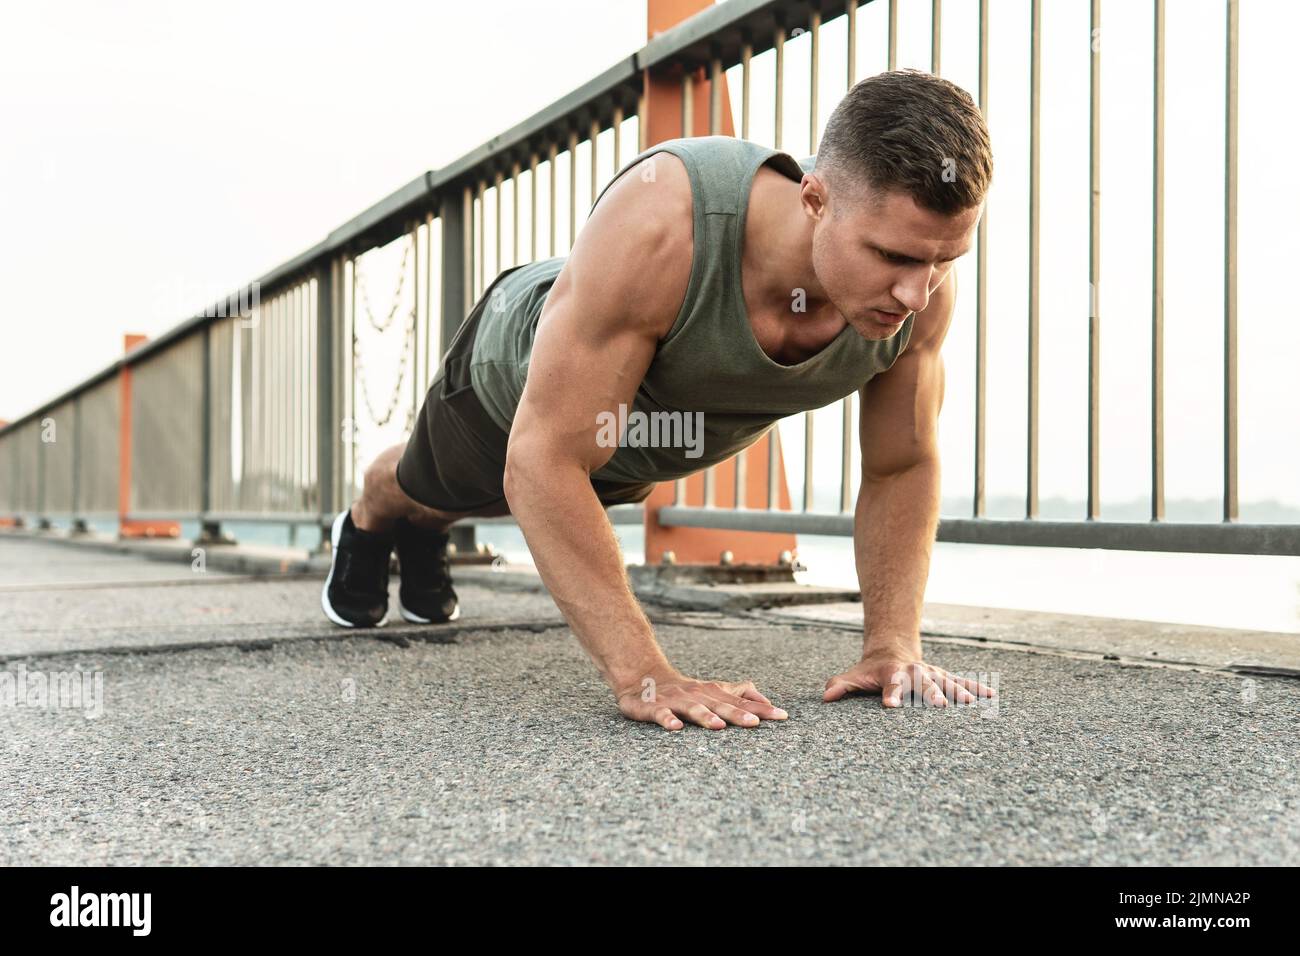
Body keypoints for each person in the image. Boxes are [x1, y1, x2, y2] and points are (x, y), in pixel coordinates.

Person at [322, 69, 998, 729]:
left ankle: (427, 533)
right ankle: (373, 517)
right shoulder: (665, 219)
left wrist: (893, 648)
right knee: (436, 486)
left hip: (640, 442)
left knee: (515, 500)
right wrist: (646, 674)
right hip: (514, 376)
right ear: (815, 199)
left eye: (942, 261)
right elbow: (543, 462)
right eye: (891, 257)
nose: (918, 294)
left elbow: (900, 465)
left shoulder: (922, 293)